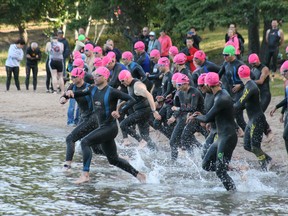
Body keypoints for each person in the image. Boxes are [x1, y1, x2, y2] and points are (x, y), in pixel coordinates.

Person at [65, 67, 146, 184]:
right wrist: (69, 94)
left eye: (98, 75)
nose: (95, 77)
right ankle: (139, 175)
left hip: (110, 128)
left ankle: (85, 175)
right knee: (113, 160)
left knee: (84, 142)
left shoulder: (112, 91)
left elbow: (131, 99)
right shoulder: (92, 89)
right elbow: (78, 93)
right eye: (95, 75)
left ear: (105, 77)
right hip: (102, 127)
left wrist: (119, 111)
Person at [195, 72, 237, 191]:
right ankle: (235, 170)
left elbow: (207, 117)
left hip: (228, 138)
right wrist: (202, 116)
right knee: (206, 165)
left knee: (220, 171)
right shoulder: (219, 95)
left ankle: (233, 194)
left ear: (208, 85)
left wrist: (194, 116)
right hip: (221, 137)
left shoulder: (221, 98)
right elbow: (216, 117)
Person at [60, 68, 100, 170]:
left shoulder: (88, 87)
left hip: (93, 118)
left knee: (70, 138)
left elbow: (85, 92)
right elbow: (64, 96)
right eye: (71, 76)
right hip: (84, 118)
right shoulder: (72, 86)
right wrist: (63, 98)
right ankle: (119, 157)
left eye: (74, 76)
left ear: (81, 77)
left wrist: (71, 94)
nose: (71, 78)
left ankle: (67, 165)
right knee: (96, 148)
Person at [234, 65, 272, 171]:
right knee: (247, 145)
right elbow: (241, 105)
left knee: (255, 146)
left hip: (257, 119)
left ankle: (264, 164)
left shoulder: (250, 86)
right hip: (252, 120)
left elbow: (239, 103)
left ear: (239, 75)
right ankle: (267, 159)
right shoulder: (248, 85)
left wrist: (227, 106)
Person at [118, 70, 161, 149]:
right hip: (141, 111)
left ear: (127, 78)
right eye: (120, 81)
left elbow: (149, 95)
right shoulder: (129, 85)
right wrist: (120, 105)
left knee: (123, 124)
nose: (122, 83)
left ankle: (140, 141)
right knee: (145, 136)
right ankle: (156, 152)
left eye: (122, 81)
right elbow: (132, 97)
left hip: (143, 111)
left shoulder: (137, 85)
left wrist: (154, 111)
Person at [218, 45, 246, 134]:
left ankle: (247, 133)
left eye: (226, 55)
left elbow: (251, 78)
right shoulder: (225, 64)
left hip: (240, 93)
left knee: (238, 116)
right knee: (229, 113)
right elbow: (218, 75)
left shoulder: (240, 65)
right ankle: (239, 130)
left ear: (232, 55)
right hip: (230, 93)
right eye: (223, 55)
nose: (224, 57)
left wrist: (240, 85)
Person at [270, 60, 288, 155]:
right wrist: (282, 113)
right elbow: (286, 98)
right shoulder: (286, 83)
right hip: (287, 111)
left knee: (286, 135)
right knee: (285, 137)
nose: (282, 75)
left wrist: (276, 107)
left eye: (284, 72)